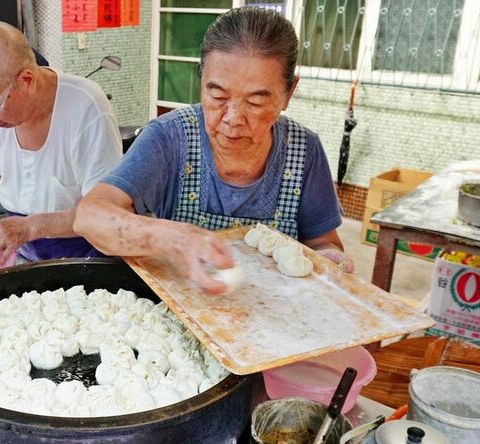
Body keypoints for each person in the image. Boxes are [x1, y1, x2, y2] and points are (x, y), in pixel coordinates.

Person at [75, 8, 353, 294]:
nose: (232, 118)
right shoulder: (169, 138)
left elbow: (322, 243)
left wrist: (328, 258)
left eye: (255, 103)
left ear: (288, 94)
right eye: (217, 96)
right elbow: (90, 216)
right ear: (201, 82)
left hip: (274, 319)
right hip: (183, 314)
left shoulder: (303, 150)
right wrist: (168, 239)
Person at [0, 21, 122, 264]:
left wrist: (30, 227)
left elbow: (104, 210)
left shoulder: (86, 107)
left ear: (27, 80)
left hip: (84, 257)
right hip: (19, 253)